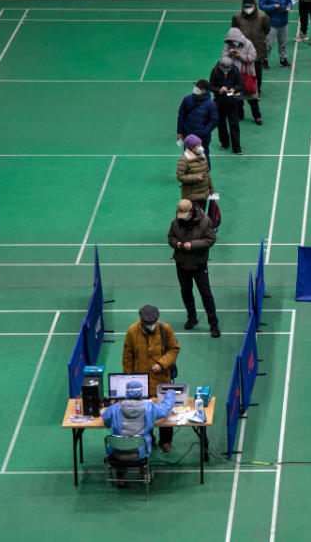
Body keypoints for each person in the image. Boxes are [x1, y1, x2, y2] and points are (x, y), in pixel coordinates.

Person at [119, 305, 180, 453]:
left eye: (153, 321)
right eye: (148, 323)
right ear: (141, 321)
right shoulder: (132, 331)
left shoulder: (166, 329)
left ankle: (166, 441)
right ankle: (149, 439)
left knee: (165, 410)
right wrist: (129, 377)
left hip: (162, 379)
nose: (151, 325)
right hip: (141, 382)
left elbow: (174, 349)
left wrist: (161, 363)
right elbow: (127, 356)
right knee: (145, 412)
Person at [102, 380, 175, 484]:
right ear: (141, 394)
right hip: (140, 453)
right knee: (141, 444)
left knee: (123, 446)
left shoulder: (114, 409)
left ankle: (121, 476)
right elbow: (165, 409)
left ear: (126, 393)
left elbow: (105, 420)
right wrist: (170, 394)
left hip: (117, 452)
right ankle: (144, 474)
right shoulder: (149, 408)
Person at [168, 199, 220, 338]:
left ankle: (213, 324)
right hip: (182, 264)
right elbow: (170, 237)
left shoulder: (205, 222)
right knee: (186, 291)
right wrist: (176, 243)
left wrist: (193, 245)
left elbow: (210, 240)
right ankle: (192, 318)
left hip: (199, 264)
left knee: (206, 294)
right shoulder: (176, 222)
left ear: (191, 211)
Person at [231, 0, 270, 98]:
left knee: (257, 71)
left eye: (250, 7)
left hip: (257, 48)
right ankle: (241, 89)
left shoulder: (262, 16)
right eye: (245, 7)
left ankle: (257, 90)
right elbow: (234, 31)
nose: (248, 9)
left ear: (255, 6)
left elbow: (267, 29)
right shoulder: (237, 17)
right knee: (240, 71)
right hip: (242, 50)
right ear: (242, 7)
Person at [223, 27, 261, 125]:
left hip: (247, 75)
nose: (233, 42)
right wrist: (229, 54)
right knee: (237, 97)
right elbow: (223, 58)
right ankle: (240, 114)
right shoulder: (228, 45)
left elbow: (253, 56)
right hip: (235, 76)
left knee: (252, 98)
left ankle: (257, 116)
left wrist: (240, 56)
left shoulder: (248, 43)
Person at [176, 79, 218, 167]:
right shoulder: (187, 99)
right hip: (188, 135)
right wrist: (180, 131)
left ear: (205, 90)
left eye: (199, 88)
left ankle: (205, 177)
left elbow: (214, 121)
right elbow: (181, 115)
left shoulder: (211, 104)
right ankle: (188, 179)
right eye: (196, 86)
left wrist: (203, 132)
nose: (196, 88)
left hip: (202, 138)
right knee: (187, 157)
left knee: (204, 157)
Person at [208, 55, 244, 154]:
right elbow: (211, 86)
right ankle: (224, 143)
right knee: (221, 124)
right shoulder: (215, 71)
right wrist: (219, 90)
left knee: (234, 125)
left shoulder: (235, 70)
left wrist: (234, 89)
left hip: (232, 102)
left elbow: (241, 85)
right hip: (219, 102)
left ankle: (237, 148)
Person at [259, 0, 292, 69]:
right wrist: (273, 6)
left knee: (283, 43)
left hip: (283, 22)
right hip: (271, 23)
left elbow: (289, 1)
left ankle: (283, 60)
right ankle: (264, 60)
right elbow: (261, 5)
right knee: (268, 44)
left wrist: (289, 7)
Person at [177, 134, 213, 209]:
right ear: (191, 147)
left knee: (202, 216)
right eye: (198, 146)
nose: (201, 147)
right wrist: (195, 177)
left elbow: (207, 174)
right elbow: (180, 176)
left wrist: (211, 188)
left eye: (200, 145)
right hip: (191, 197)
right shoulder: (184, 160)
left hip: (204, 195)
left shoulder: (203, 156)